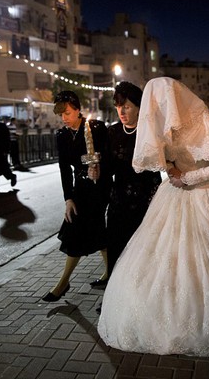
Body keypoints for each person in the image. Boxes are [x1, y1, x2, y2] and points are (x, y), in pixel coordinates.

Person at [97, 77, 209, 357]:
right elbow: (162, 162)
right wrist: (172, 167)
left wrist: (189, 177)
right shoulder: (162, 129)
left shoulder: (202, 119)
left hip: (208, 195)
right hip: (174, 196)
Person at [41, 90, 111, 302]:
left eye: (68, 112)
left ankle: (63, 283)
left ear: (78, 110)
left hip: (99, 187)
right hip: (80, 189)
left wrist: (100, 166)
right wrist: (68, 198)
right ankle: (111, 273)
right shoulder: (62, 135)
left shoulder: (96, 128)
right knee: (95, 231)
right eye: (61, 114)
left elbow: (109, 156)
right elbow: (64, 169)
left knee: (79, 230)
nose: (64, 118)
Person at [90, 82, 161, 285]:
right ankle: (113, 296)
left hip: (145, 203)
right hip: (119, 202)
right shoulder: (112, 132)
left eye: (127, 106)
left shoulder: (150, 132)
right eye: (118, 106)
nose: (121, 111)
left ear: (140, 107)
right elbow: (108, 169)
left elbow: (158, 168)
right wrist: (96, 170)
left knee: (140, 252)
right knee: (116, 248)